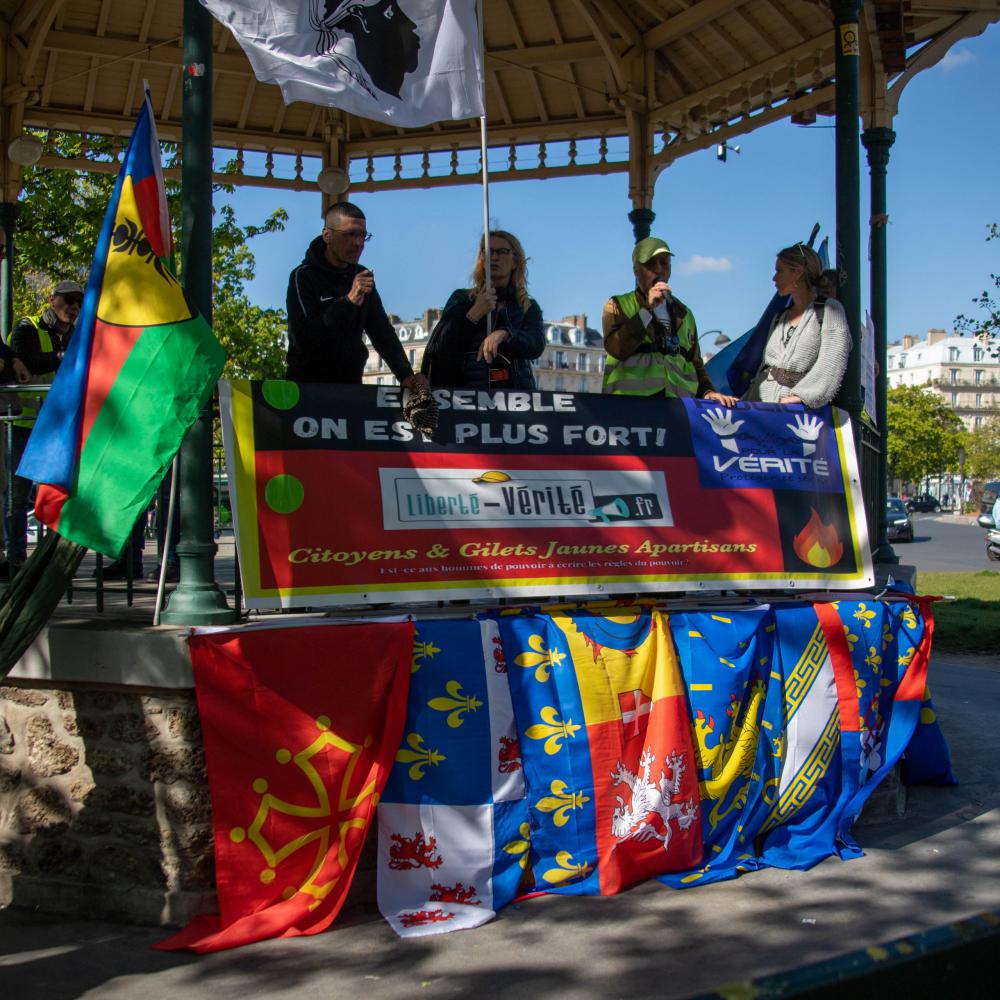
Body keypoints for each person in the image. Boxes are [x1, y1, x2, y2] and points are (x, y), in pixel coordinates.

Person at [286, 201, 428, 391]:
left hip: (351, 386)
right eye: (350, 234)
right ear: (327, 236)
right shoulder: (303, 276)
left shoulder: (361, 275)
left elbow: (381, 332)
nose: (358, 243)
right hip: (307, 388)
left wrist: (406, 375)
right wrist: (348, 302)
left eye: (363, 236)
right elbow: (304, 340)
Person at [6, 280, 83, 575]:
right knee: (17, 495)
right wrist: (63, 357)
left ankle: (52, 560)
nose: (74, 306)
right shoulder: (28, 326)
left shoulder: (76, 334)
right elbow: (28, 360)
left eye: (79, 301)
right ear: (52, 300)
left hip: (59, 427)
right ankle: (16, 557)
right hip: (24, 424)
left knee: (58, 492)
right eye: (68, 299)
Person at [602, 237, 736, 404]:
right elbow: (616, 348)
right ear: (636, 270)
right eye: (651, 264)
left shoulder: (685, 314)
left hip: (678, 408)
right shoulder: (617, 305)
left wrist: (708, 392)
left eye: (664, 263)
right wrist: (647, 310)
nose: (659, 270)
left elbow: (695, 364)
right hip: (631, 407)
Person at [421, 230, 544, 390]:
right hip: (468, 394)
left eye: (502, 251)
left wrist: (506, 334)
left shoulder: (526, 306)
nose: (494, 257)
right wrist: (474, 314)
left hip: (515, 396)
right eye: (488, 251)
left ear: (515, 260)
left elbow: (536, 343)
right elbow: (441, 348)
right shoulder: (462, 298)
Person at [744, 243, 851, 408]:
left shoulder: (830, 310)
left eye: (779, 271)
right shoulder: (779, 317)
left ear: (798, 272)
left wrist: (803, 396)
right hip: (762, 410)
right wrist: (743, 403)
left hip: (799, 415)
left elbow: (831, 363)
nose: (774, 278)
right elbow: (764, 370)